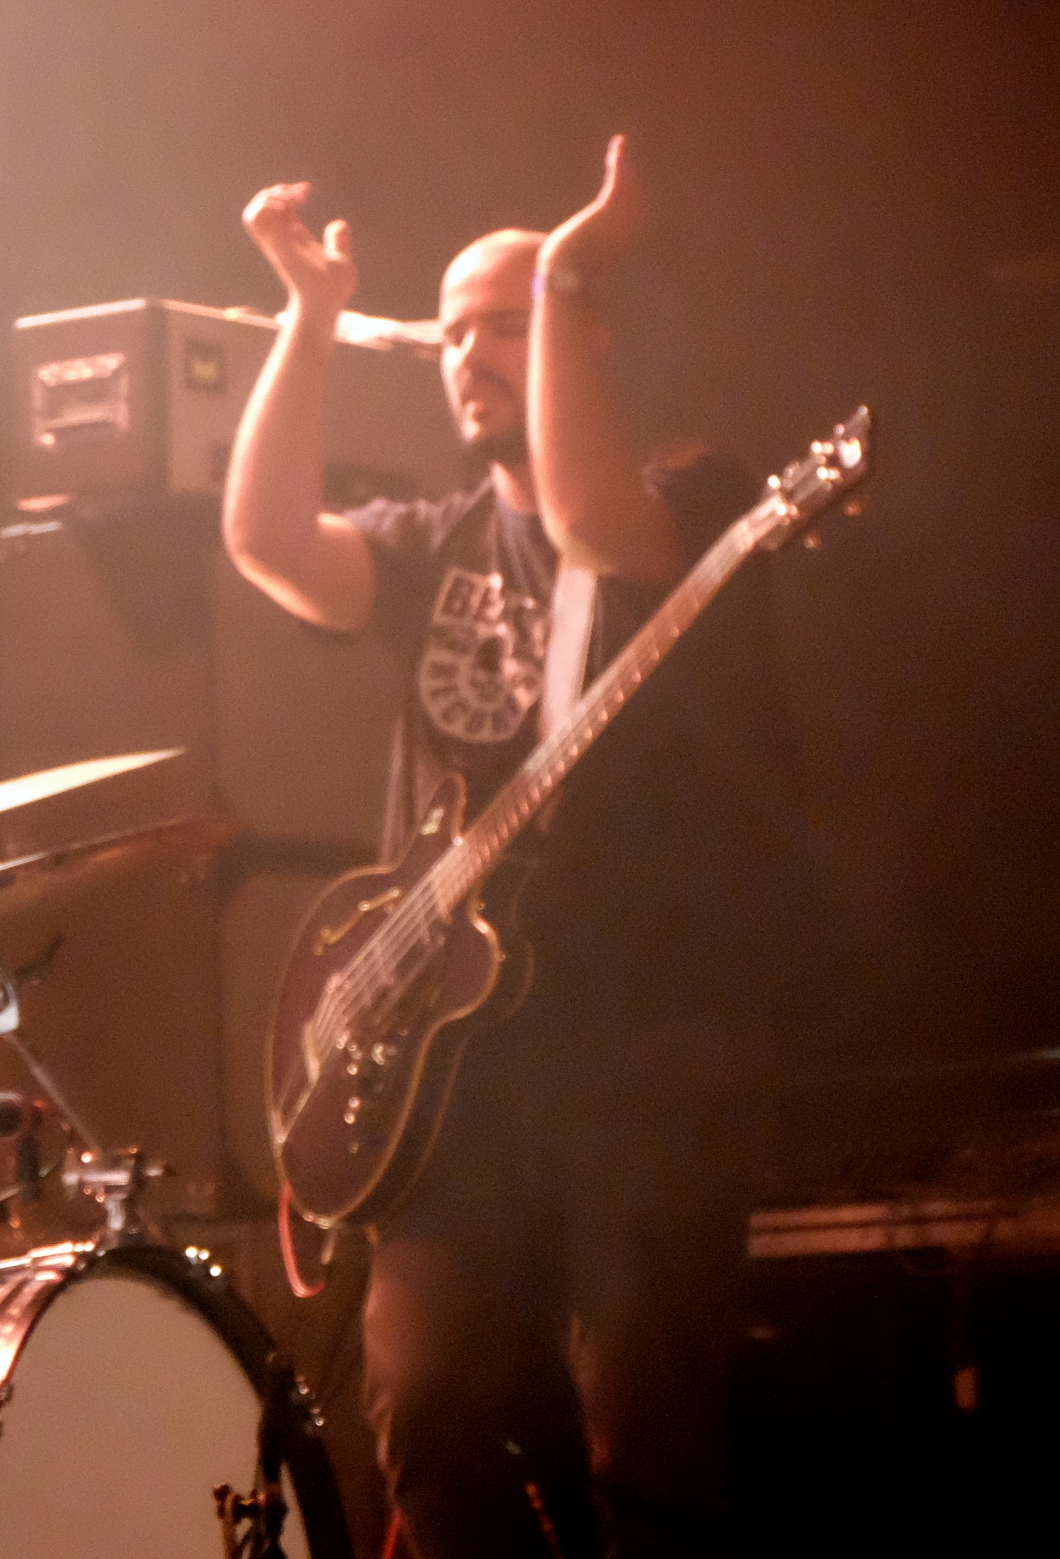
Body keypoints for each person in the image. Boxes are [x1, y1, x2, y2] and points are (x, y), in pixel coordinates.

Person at [223, 139, 806, 1558]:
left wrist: (562, 268)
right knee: (427, 1407)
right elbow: (265, 539)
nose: (466, 353)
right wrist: (309, 318)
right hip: (453, 1078)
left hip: (642, 1046)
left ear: (582, 334)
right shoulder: (430, 542)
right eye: (450, 330)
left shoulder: (693, 494)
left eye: (503, 322)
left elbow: (597, 526)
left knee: (642, 1435)